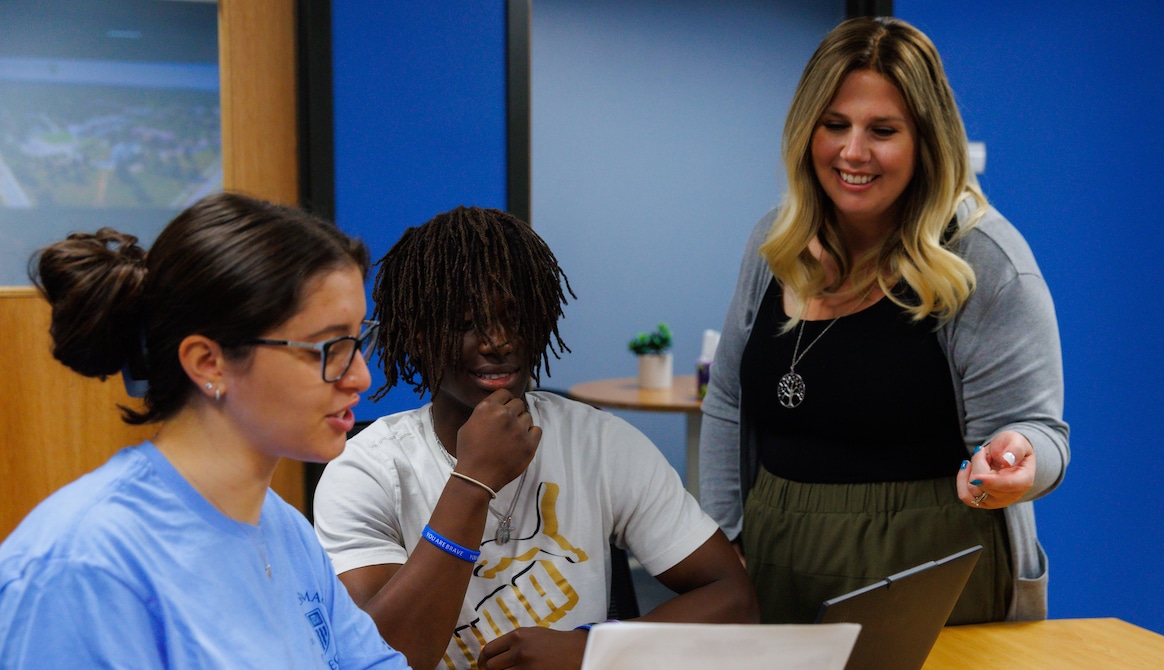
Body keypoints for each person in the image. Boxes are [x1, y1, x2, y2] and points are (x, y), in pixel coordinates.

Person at [698, 17, 1069, 625]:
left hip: (931, 573)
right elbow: (728, 401)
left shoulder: (985, 260)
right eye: (835, 125)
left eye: (883, 131)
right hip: (776, 562)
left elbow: (1042, 435)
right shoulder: (774, 241)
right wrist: (723, 540)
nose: (853, 151)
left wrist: (1017, 458)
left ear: (928, 140)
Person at [314, 206, 757, 670]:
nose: (498, 341)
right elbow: (379, 659)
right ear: (418, 334)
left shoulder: (600, 443)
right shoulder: (367, 470)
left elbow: (733, 599)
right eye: (467, 323)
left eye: (514, 317)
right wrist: (473, 481)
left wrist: (593, 651)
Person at [0, 193, 410, 668]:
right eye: (328, 347)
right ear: (208, 362)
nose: (361, 377)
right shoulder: (84, 565)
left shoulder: (282, 528)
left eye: (359, 341)